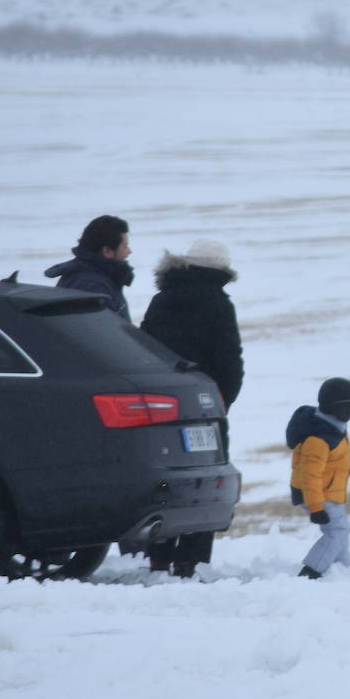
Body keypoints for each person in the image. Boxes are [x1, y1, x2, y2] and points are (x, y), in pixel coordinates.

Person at [138, 238, 244, 578]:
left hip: (160, 406)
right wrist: (221, 402)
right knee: (206, 482)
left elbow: (143, 349)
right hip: (205, 407)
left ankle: (158, 557)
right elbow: (230, 362)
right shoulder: (219, 305)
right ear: (220, 271)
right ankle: (189, 560)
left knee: (166, 482)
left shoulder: (160, 300)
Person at [288, 377, 350, 579]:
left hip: (325, 491)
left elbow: (334, 461)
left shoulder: (333, 430)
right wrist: (315, 508)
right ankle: (311, 572)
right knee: (337, 530)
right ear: (340, 409)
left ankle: (341, 569)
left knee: (342, 529)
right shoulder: (319, 439)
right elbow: (311, 475)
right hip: (317, 494)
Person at [44, 215, 134, 320]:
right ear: (107, 251)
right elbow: (101, 333)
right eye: (125, 246)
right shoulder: (91, 286)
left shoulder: (99, 276)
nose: (129, 251)